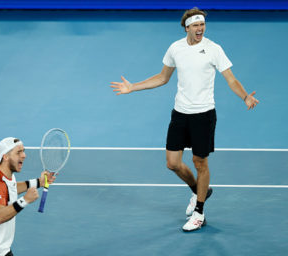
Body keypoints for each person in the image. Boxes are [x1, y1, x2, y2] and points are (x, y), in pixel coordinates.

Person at [110, 7, 259, 232]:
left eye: (202, 25)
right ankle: (199, 190)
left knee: (200, 163)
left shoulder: (213, 49)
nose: (200, 29)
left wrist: (245, 96)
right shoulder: (175, 48)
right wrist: (133, 87)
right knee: (173, 163)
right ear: (187, 27)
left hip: (204, 114)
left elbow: (230, 78)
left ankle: (199, 212)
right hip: (180, 113)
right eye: (196, 25)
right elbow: (162, 77)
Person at [0, 137, 56, 255]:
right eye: (18, 152)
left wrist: (38, 182)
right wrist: (24, 200)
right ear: (5, 156)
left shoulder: (5, 173)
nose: (24, 155)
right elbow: (0, 216)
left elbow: (10, 189)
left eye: (23, 151)